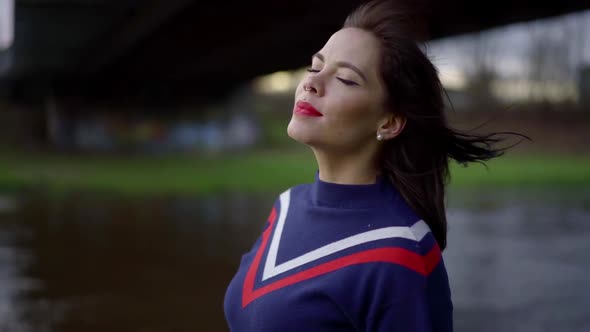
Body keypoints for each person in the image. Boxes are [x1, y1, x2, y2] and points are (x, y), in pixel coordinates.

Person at [224, 0, 518, 331]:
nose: (311, 83)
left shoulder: (401, 252)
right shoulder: (286, 206)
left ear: (389, 122)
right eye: (314, 67)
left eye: (346, 79)